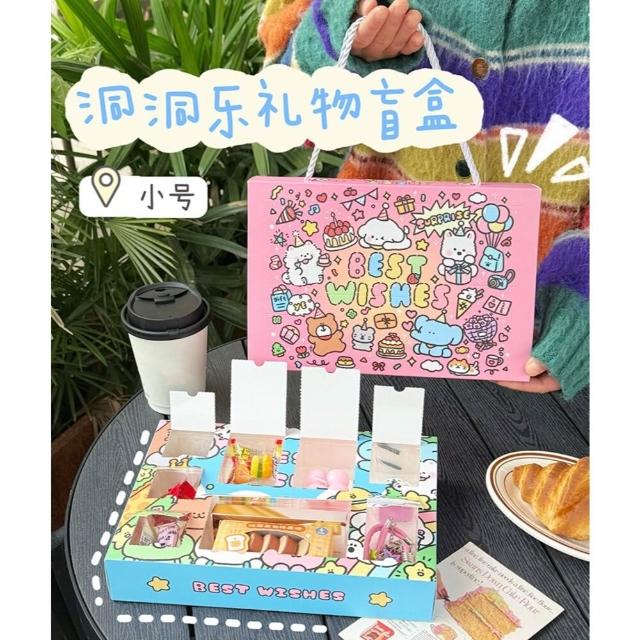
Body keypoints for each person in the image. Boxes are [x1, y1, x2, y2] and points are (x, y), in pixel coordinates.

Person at [258, 0, 589, 399]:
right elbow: (281, 105)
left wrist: (588, 311)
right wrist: (344, 37)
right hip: (359, 315)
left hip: (554, 352)